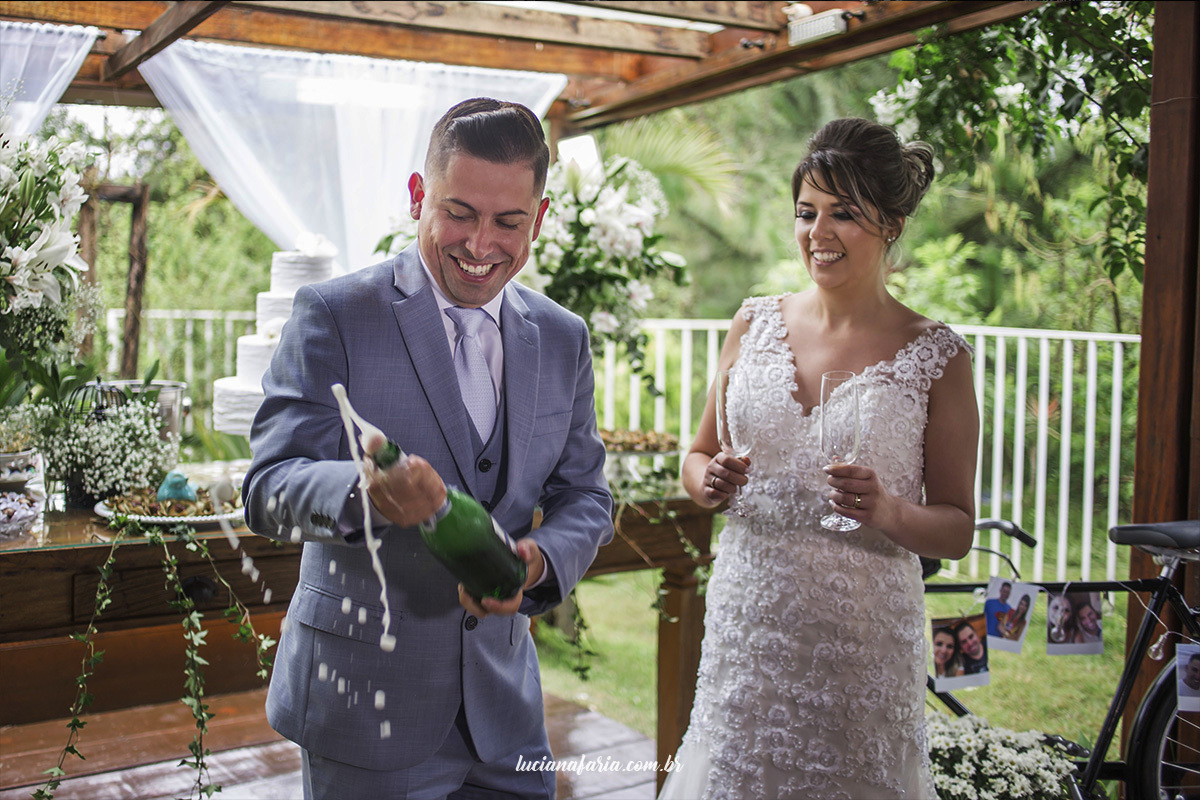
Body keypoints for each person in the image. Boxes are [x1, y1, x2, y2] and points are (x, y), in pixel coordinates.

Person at [243, 98, 614, 799]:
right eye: (459, 213)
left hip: (509, 721)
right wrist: (362, 493)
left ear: (538, 218)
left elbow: (585, 496)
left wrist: (539, 564)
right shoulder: (336, 313)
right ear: (419, 195)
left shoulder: (563, 337)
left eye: (508, 222)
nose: (480, 245)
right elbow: (267, 486)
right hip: (364, 710)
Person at [658, 117, 979, 799]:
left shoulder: (938, 357)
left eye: (844, 214)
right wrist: (707, 482)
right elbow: (696, 456)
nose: (817, 233)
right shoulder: (752, 322)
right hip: (748, 626)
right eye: (806, 212)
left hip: (860, 646)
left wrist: (889, 509)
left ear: (891, 224)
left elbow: (956, 528)